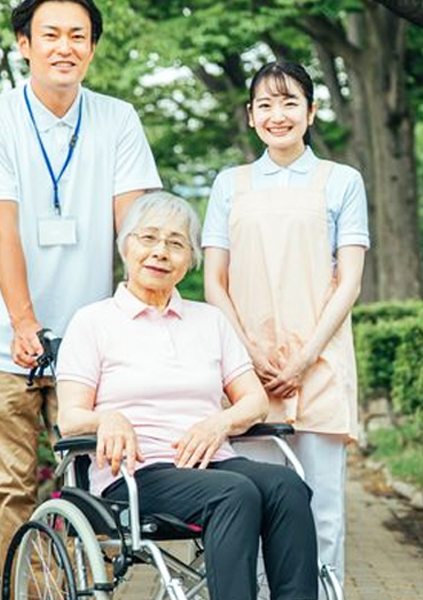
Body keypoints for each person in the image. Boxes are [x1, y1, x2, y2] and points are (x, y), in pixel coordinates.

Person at [0, 0, 161, 548]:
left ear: (92, 47)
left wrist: (142, 318)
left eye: (78, 35)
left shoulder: (118, 119)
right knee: (10, 488)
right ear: (25, 44)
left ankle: (81, 584)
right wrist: (24, 324)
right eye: (51, 35)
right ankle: (23, 585)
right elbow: (3, 229)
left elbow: (135, 229)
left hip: (92, 342)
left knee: (97, 482)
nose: (64, 47)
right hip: (1, 341)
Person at [57, 192, 319, 600]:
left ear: (190, 259)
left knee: (285, 484)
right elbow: (70, 417)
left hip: (214, 463)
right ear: (126, 244)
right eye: (148, 238)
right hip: (137, 472)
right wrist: (108, 418)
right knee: (235, 494)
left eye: (176, 243)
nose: (160, 252)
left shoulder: (209, 321)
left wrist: (221, 422)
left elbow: (254, 400)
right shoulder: (93, 322)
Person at [201, 60, 366, 594]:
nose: (278, 114)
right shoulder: (231, 185)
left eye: (290, 102)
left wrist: (303, 360)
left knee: (322, 514)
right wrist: (247, 355)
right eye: (265, 105)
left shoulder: (342, 181)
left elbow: (350, 282)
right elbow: (214, 284)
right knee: (248, 513)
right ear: (250, 117)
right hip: (245, 377)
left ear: (312, 111)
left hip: (319, 367)